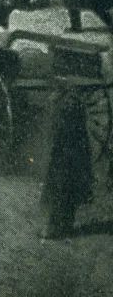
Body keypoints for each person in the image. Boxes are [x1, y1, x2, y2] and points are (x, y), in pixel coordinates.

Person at [40, 88, 95, 239]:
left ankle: (56, 225)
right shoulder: (70, 104)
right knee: (66, 181)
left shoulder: (62, 104)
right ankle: (63, 224)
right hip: (68, 151)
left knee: (61, 182)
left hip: (65, 153)